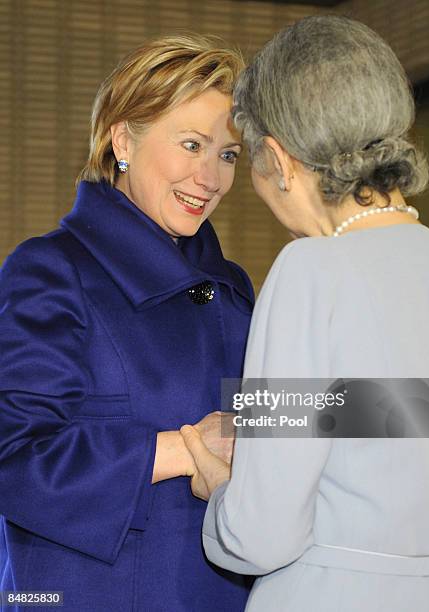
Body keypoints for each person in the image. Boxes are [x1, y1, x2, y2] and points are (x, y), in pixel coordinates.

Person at [180, 15, 429, 612]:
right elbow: (418, 423)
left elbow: (260, 537)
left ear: (282, 160)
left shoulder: (309, 270)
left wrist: (222, 490)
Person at [0, 34, 254, 611]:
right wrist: (189, 451)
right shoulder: (52, 269)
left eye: (228, 155)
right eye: (191, 144)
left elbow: (267, 420)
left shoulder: (233, 288)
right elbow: (14, 456)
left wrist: (413, 406)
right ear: (122, 140)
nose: (211, 178)